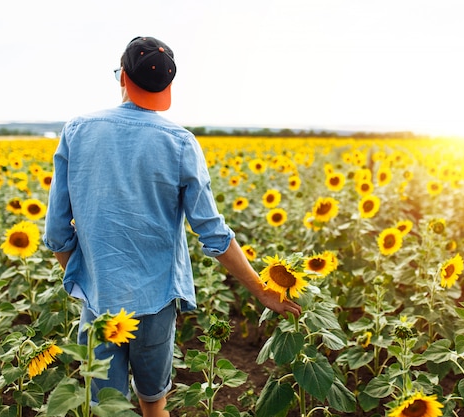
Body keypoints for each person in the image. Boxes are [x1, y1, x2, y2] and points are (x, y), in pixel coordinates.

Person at [43, 36, 302, 417]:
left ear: (122, 76)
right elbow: (213, 234)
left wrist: (87, 282)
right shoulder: (180, 142)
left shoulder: (77, 131)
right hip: (157, 300)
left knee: (105, 409)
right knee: (154, 404)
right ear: (167, 86)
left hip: (98, 303)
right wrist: (261, 290)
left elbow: (56, 233)